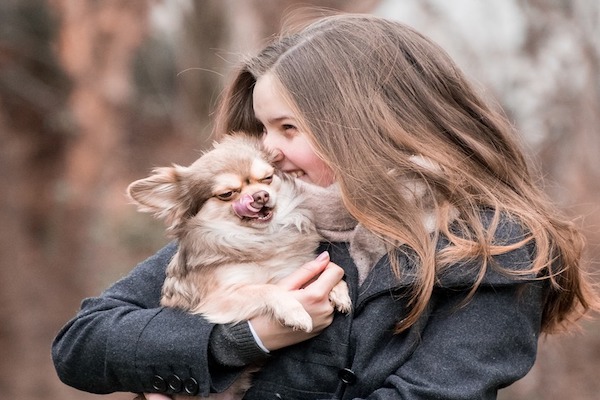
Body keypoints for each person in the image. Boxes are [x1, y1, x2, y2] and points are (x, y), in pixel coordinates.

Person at [52, 13, 599, 400]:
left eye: (288, 128)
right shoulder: (265, 218)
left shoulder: (490, 247)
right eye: (263, 128)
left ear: (370, 124)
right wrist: (239, 340)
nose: (267, 149)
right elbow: (84, 341)